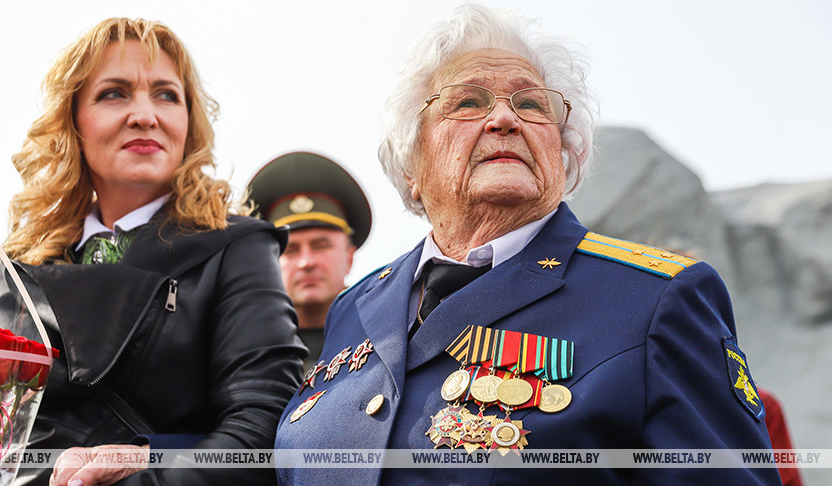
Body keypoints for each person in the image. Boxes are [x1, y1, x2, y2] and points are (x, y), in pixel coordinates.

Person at [274, 4, 781, 485]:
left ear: (561, 156)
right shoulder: (353, 308)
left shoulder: (657, 300)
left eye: (531, 104)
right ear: (412, 166)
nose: (504, 119)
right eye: (468, 101)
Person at [0, 18, 304, 486]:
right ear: (72, 121)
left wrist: (144, 471)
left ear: (188, 123)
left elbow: (264, 426)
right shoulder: (13, 274)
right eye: (115, 93)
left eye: (167, 94)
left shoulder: (237, 245)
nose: (146, 114)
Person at [244, 152, 371, 366]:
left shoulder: (384, 335)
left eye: (321, 246)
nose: (307, 262)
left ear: (349, 257)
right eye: (291, 250)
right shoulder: (244, 347)